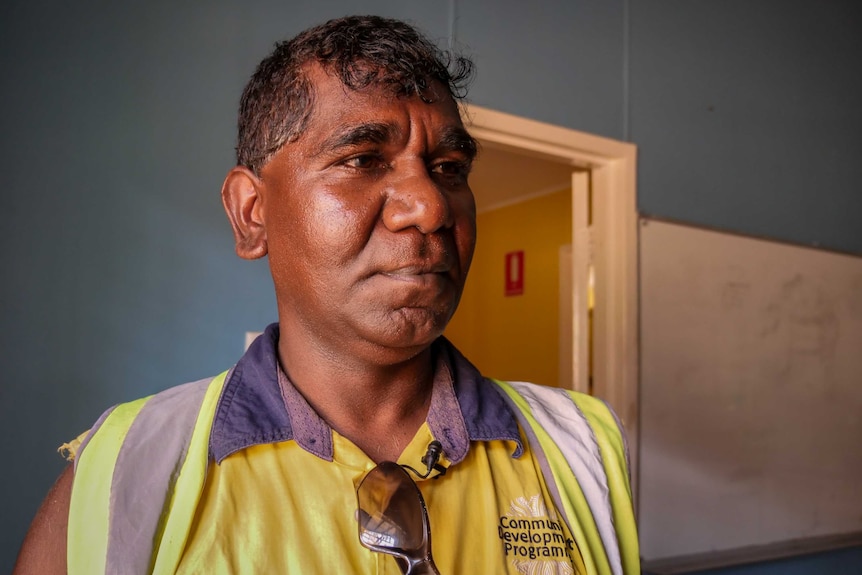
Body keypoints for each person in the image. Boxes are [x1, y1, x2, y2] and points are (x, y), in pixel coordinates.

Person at [14, 15, 639, 575]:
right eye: (362, 159)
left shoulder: (578, 447)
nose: (430, 207)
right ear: (252, 213)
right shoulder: (129, 467)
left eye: (449, 169)